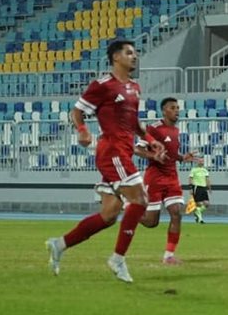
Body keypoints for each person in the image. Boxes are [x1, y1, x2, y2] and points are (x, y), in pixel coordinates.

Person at [46, 39, 165, 283]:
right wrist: (82, 130)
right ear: (115, 58)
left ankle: (60, 244)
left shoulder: (134, 87)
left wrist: (149, 139)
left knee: (109, 215)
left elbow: (133, 122)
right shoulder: (103, 85)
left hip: (123, 151)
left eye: (135, 53)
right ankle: (118, 258)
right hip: (112, 152)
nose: (134, 56)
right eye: (129, 53)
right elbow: (77, 110)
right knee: (140, 199)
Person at [138, 97, 198, 264]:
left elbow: (170, 154)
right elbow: (137, 149)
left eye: (178, 107)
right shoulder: (154, 128)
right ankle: (129, 209)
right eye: (173, 107)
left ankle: (169, 256)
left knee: (177, 213)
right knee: (151, 222)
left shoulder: (176, 131)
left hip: (172, 177)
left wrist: (181, 157)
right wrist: (153, 155)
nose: (177, 110)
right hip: (155, 178)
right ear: (164, 111)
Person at [188, 158, 211, 223]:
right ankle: (200, 219)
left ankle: (197, 213)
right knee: (199, 204)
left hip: (204, 188)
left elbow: (207, 179)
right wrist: (190, 188)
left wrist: (209, 187)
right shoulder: (194, 170)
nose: (201, 162)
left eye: (202, 161)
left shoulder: (205, 170)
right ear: (197, 162)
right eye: (200, 161)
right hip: (197, 187)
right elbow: (190, 179)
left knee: (207, 203)